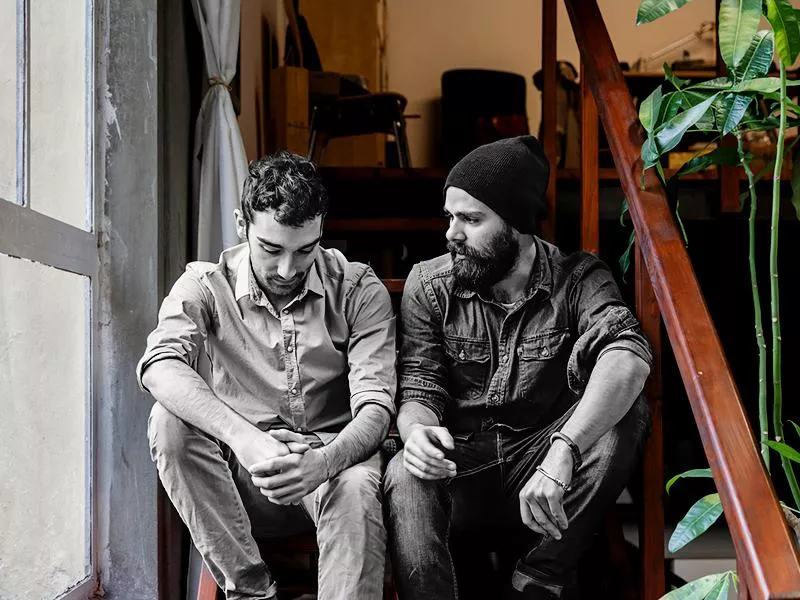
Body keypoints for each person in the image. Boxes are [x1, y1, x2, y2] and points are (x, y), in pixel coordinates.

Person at [384, 136, 652, 599]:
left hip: (544, 473)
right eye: (451, 216)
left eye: (471, 219)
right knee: (405, 474)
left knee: (626, 411)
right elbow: (419, 387)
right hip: (460, 468)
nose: (452, 233)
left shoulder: (579, 278)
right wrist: (417, 433)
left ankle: (536, 579)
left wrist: (564, 448)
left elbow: (627, 357)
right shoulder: (430, 284)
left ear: (518, 225)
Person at [138, 152, 396, 600]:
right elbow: (160, 365)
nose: (287, 270)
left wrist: (323, 461)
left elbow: (376, 409)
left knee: (356, 486)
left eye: (304, 250)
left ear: (321, 232)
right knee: (168, 422)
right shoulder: (205, 284)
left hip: (333, 469)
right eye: (271, 248)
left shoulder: (358, 288)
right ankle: (253, 593)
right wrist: (247, 439)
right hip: (241, 478)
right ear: (242, 225)